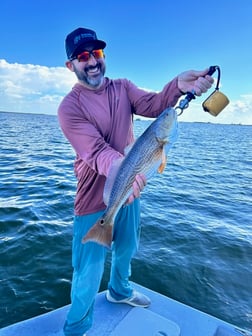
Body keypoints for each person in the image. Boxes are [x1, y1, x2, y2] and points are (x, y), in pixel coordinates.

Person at [58, 27, 214, 336]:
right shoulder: (69, 108)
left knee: (127, 247)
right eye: (83, 56)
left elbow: (156, 107)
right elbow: (96, 152)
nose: (92, 62)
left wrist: (178, 87)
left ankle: (119, 290)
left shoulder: (123, 88)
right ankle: (75, 329)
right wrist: (126, 171)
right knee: (87, 272)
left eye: (97, 53)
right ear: (71, 65)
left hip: (132, 188)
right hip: (94, 197)